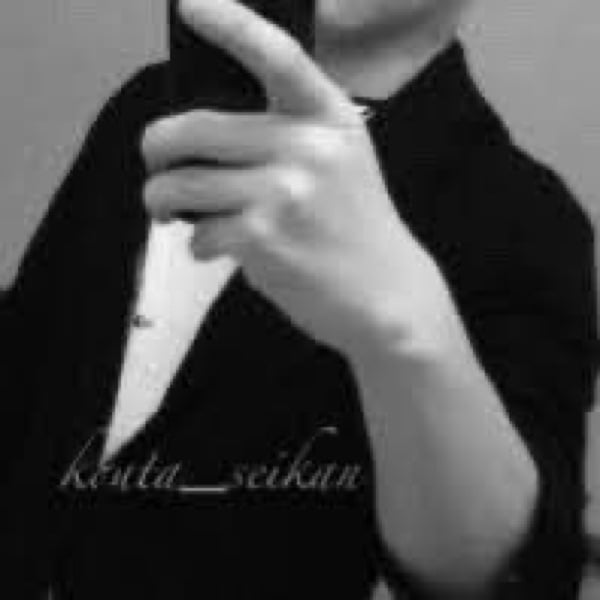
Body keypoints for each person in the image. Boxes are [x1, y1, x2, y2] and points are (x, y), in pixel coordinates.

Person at [0, 0, 597, 597]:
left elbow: (516, 573)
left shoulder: (524, 216)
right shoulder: (148, 108)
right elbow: (32, 358)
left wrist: (409, 333)